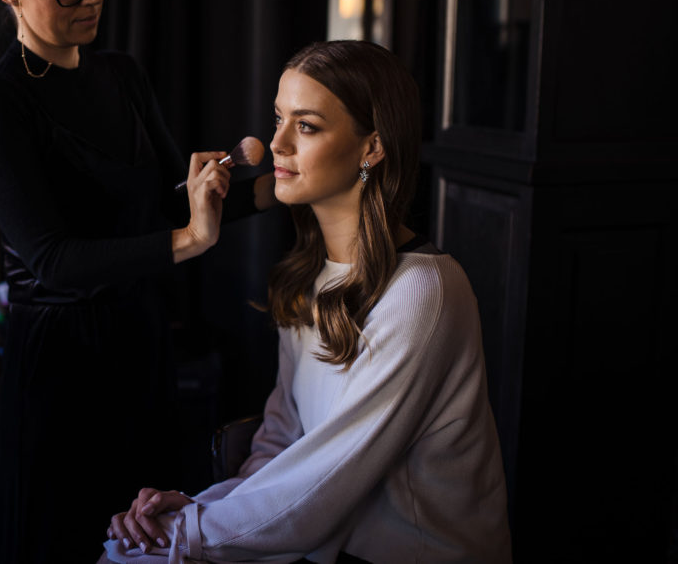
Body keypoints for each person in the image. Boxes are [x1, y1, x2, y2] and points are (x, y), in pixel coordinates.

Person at [103, 40, 512, 563]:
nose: (276, 144)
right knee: (122, 549)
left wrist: (192, 529)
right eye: (278, 119)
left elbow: (326, 477)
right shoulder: (308, 279)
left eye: (307, 126)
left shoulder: (424, 291)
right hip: (322, 546)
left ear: (372, 148)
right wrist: (199, 507)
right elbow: (282, 443)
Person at [0, 0, 275, 562]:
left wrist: (274, 188)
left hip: (141, 349)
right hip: (60, 371)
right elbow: (53, 258)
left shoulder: (123, 76)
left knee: (147, 543)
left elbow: (168, 206)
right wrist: (192, 239)